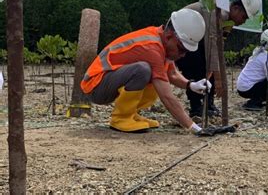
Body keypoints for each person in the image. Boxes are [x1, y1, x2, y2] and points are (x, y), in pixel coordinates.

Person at [81, 9, 210, 133]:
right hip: (96, 86)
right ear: (169, 36)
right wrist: (192, 126)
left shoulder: (162, 43)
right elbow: (166, 96)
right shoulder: (151, 48)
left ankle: (131, 115)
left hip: (107, 81)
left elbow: (172, 74)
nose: (183, 55)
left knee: (154, 73)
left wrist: (191, 85)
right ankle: (121, 118)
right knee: (143, 70)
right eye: (181, 49)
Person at [176, 0, 262, 118]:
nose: (243, 22)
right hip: (181, 38)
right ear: (235, 8)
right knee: (198, 68)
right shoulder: (218, 14)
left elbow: (219, 48)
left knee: (210, 66)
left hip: (194, 39)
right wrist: (218, 79)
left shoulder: (227, 20)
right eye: (244, 17)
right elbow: (212, 48)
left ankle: (208, 104)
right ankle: (196, 107)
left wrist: (218, 75)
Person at [237, 29, 268, 111]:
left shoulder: (261, 52)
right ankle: (253, 102)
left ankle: (256, 100)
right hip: (247, 88)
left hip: (243, 87)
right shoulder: (267, 56)